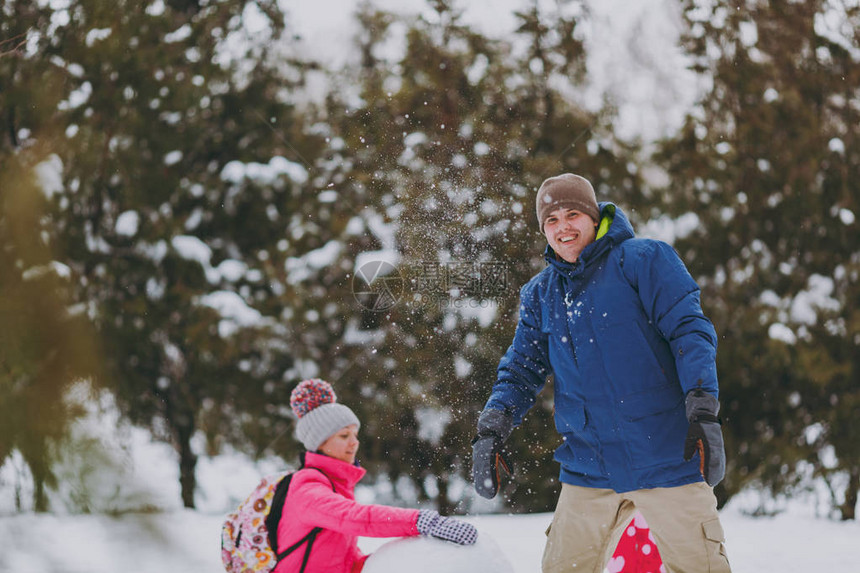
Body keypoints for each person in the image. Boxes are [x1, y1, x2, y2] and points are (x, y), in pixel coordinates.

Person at [471, 173, 731, 573]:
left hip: (666, 457)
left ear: (594, 217)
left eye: (572, 214)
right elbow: (521, 369)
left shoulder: (644, 260)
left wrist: (702, 408)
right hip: (589, 466)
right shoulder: (541, 294)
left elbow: (690, 332)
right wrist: (492, 427)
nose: (563, 227)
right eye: (551, 220)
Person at [277, 378, 477, 573]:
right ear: (319, 442)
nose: (354, 443)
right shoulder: (308, 487)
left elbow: (341, 560)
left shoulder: (336, 485)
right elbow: (355, 518)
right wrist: (421, 521)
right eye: (344, 436)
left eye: (355, 435)